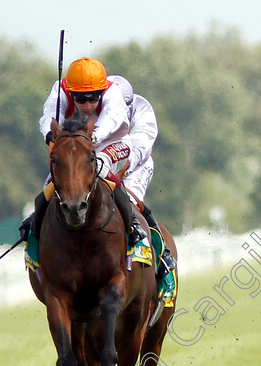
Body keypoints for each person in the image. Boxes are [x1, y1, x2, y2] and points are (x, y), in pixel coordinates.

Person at [19, 57, 145, 259]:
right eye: (80, 99)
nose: (87, 105)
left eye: (93, 98)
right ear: (70, 93)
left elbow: (111, 118)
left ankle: (135, 225)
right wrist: (50, 135)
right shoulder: (59, 91)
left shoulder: (112, 93)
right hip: (76, 145)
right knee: (52, 184)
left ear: (102, 92)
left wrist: (92, 136)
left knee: (101, 166)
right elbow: (49, 116)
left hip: (111, 142)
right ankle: (36, 228)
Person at [106, 74, 176, 278]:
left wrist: (120, 172)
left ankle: (162, 256)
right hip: (104, 165)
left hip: (135, 166)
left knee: (130, 203)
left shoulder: (141, 109)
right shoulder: (94, 107)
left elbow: (140, 147)